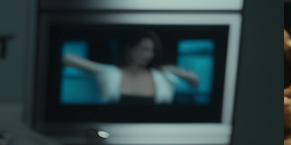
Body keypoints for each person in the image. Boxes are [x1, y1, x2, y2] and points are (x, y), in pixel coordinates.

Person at [62, 31, 200, 104]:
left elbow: (195, 83)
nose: (149, 55)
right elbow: (67, 59)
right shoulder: (112, 73)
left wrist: (177, 71)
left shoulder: (162, 76)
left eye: (152, 51)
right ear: (131, 50)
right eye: (144, 49)